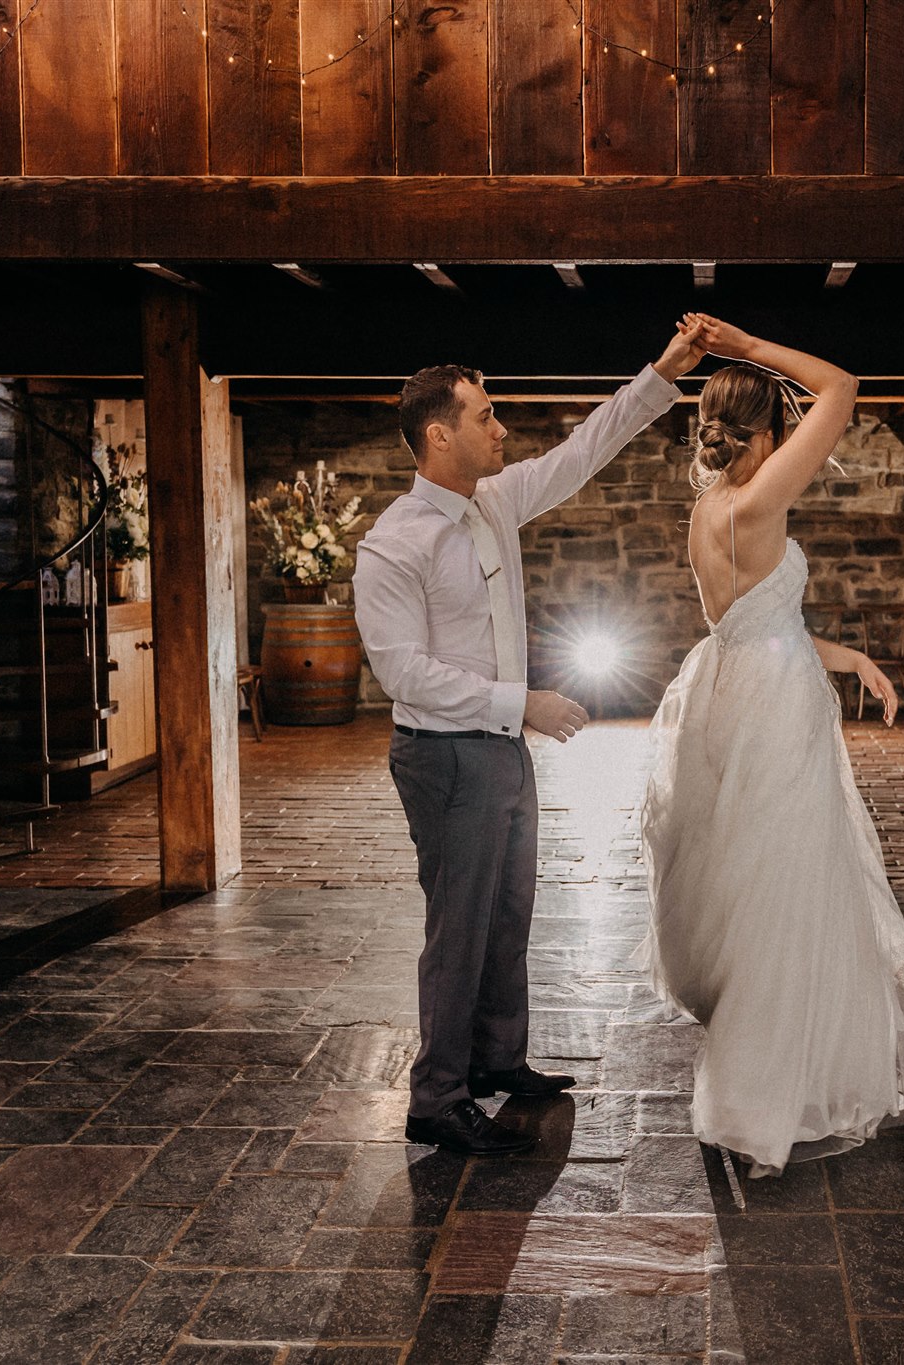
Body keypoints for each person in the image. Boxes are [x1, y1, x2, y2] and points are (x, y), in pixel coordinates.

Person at [355, 318, 709, 1157]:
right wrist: (524, 706)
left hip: (501, 752)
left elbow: (586, 449)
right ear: (440, 434)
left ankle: (497, 1060)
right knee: (460, 925)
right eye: (485, 416)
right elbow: (405, 676)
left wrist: (660, 373)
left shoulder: (496, 500)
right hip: (444, 758)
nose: (502, 428)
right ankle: (436, 1097)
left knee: (510, 912)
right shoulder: (391, 546)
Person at [639, 314, 904, 1178]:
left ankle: (776, 1070)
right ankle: (761, 1091)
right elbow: (844, 386)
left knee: (754, 885)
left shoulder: (709, 508)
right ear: (772, 434)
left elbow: (758, 623)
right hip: (774, 713)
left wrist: (851, 655)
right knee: (787, 889)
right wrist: (747, 346)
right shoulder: (761, 499)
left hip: (722, 694)